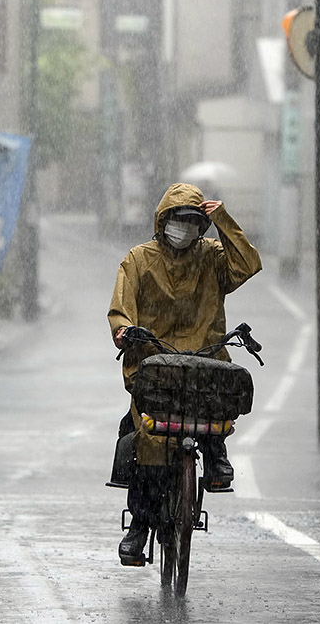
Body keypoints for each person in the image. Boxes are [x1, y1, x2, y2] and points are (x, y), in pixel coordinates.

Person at [107, 182, 262, 564]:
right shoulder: (138, 260)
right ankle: (140, 526)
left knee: (216, 411)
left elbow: (248, 264)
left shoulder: (211, 257)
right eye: (178, 220)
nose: (184, 228)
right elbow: (120, 308)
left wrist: (223, 219)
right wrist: (124, 331)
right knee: (147, 440)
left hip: (204, 366)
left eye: (193, 222)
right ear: (163, 222)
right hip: (155, 367)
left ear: (202, 226)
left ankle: (215, 453)